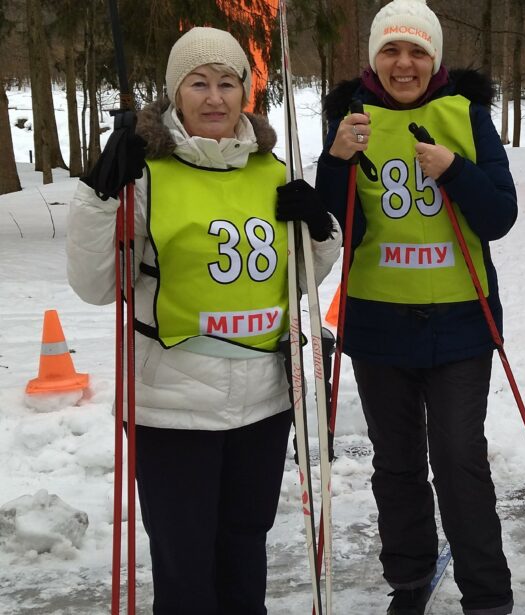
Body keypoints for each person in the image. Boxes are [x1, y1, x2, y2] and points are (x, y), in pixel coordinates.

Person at [66, 26, 341, 614]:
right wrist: (99, 196)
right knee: (186, 564)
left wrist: (319, 229)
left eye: (227, 83)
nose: (214, 97)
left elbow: (296, 280)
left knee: (245, 552)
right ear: (174, 94)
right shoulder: (146, 171)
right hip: (172, 408)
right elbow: (95, 286)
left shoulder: (270, 167)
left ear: (245, 92)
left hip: (264, 403)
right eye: (199, 84)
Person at [314, 1, 517, 613]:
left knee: (459, 460)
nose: (404, 64)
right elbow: (328, 228)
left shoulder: (468, 115)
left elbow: (499, 216)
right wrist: (336, 161)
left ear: (435, 58)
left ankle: (486, 592)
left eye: (417, 51)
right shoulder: (351, 119)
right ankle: (409, 578)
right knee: (396, 464)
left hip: (459, 322)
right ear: (374, 57)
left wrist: (454, 169)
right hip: (378, 322)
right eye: (391, 51)